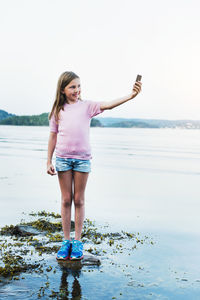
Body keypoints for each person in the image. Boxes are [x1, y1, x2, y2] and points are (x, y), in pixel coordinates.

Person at [47, 71, 142, 261]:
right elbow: (53, 136)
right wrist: (48, 160)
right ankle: (66, 241)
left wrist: (130, 96)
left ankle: (78, 241)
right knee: (66, 200)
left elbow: (109, 104)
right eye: (72, 87)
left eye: (79, 86)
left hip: (82, 160)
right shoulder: (57, 110)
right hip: (63, 159)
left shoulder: (87, 106)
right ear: (63, 90)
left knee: (79, 200)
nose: (77, 90)